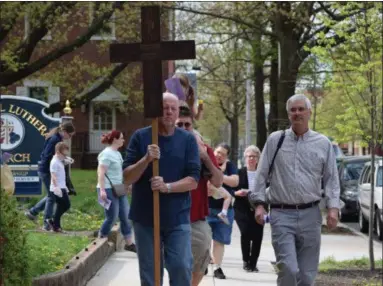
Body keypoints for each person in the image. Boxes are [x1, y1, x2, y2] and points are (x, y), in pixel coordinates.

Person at [249, 94, 340, 286]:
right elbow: (261, 174)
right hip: (282, 214)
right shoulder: (276, 140)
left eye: (301, 109)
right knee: (289, 269)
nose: (297, 113)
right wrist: (259, 204)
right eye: (293, 110)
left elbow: (332, 178)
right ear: (288, 114)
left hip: (311, 215)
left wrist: (333, 208)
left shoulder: (323, 143)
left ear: (309, 112)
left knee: (307, 276)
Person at [123, 93, 201, 286]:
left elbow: (193, 180)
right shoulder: (141, 137)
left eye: (173, 108)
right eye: (165, 107)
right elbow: (126, 177)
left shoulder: (187, 140)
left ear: (177, 113)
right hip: (145, 217)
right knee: (150, 274)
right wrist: (146, 159)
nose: (169, 112)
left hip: (177, 217)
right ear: (157, 111)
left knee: (181, 266)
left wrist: (167, 187)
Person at [175, 106, 223, 286]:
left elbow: (218, 181)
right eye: (179, 124)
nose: (183, 128)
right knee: (176, 265)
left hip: (196, 218)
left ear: (192, 126)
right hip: (171, 218)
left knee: (200, 262)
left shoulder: (204, 149)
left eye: (187, 125)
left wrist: (204, 157)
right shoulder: (164, 147)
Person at [25, 122, 75, 231]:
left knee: (50, 195)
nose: (69, 138)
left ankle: (33, 212)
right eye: (70, 135)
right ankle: (47, 223)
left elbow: (50, 155)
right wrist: (55, 167)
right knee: (52, 196)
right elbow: (48, 156)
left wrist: (63, 160)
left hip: (45, 169)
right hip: (47, 171)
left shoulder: (55, 137)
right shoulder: (55, 140)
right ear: (65, 131)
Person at [96, 130, 136, 252]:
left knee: (126, 215)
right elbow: (101, 173)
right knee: (112, 217)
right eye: (122, 138)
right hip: (107, 189)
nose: (123, 140)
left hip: (118, 188)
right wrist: (102, 190)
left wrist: (127, 184)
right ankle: (101, 238)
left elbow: (120, 172)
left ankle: (129, 243)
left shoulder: (117, 154)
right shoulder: (106, 154)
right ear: (115, 140)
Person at [207, 143, 239, 279]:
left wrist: (217, 175)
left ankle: (217, 268)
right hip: (206, 208)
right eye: (218, 152)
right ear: (214, 150)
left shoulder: (230, 165)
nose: (219, 155)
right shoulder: (206, 161)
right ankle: (202, 266)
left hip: (224, 209)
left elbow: (235, 181)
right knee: (203, 239)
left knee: (219, 241)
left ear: (227, 157)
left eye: (223, 154)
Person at [234, 145, 263, 272]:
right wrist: (237, 193)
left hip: (258, 207)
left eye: (254, 156)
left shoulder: (262, 174)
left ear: (258, 158)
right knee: (245, 233)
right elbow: (231, 189)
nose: (251, 158)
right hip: (241, 208)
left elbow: (267, 189)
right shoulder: (238, 172)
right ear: (245, 158)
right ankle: (246, 261)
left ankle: (253, 263)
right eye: (248, 156)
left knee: (257, 236)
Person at [45, 142, 71, 232]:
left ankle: (55, 224)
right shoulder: (54, 162)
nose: (65, 156)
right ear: (58, 152)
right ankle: (54, 222)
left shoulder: (59, 161)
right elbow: (53, 175)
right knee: (66, 205)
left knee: (62, 206)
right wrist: (57, 187)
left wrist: (65, 161)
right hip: (57, 188)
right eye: (64, 154)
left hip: (61, 186)